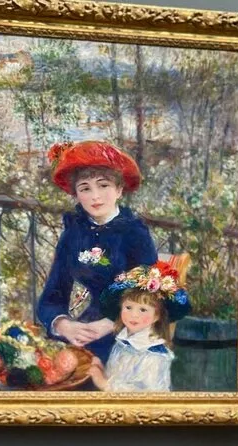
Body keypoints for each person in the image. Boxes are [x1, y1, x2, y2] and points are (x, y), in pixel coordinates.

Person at [37, 140, 158, 365]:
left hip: (124, 333)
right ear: (76, 194)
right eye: (85, 188)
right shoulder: (74, 233)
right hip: (80, 331)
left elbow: (149, 296)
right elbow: (52, 295)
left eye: (103, 186)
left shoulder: (134, 233)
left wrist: (109, 324)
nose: (95, 196)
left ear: (119, 190)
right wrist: (64, 325)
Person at [88, 261, 191, 391]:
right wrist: (100, 370)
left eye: (143, 310)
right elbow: (117, 377)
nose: (134, 315)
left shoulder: (153, 354)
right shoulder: (123, 341)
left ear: (157, 316)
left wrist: (104, 384)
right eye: (128, 307)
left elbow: (144, 395)